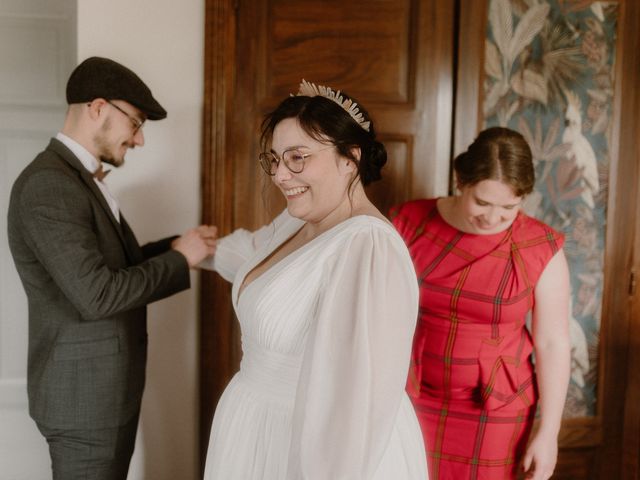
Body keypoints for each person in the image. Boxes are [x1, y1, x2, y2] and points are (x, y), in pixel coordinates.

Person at [200, 80, 427, 479]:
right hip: (253, 428)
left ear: (349, 159)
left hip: (308, 444)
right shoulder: (297, 220)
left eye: (297, 158)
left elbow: (359, 396)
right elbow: (248, 257)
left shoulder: (368, 247)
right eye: (274, 159)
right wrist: (179, 251)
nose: (281, 175)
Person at [7, 56, 216, 480]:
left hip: (103, 396)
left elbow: (113, 265)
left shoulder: (75, 179)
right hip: (83, 402)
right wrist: (181, 260)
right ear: (98, 108)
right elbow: (98, 293)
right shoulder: (50, 184)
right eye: (136, 124)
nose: (138, 140)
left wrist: (173, 247)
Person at [390, 127, 571, 480]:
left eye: (509, 207)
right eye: (482, 202)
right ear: (461, 181)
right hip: (410, 394)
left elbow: (553, 342)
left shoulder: (541, 246)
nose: (492, 218)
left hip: (495, 409)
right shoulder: (408, 222)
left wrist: (549, 434)